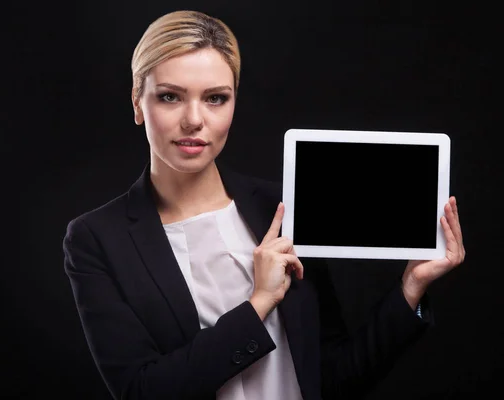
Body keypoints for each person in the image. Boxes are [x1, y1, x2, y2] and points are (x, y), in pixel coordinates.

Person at [62, 9, 465, 400]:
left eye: (216, 98)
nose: (193, 120)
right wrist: (258, 304)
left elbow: (332, 381)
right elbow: (141, 391)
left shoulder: (285, 208)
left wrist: (411, 288)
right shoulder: (97, 239)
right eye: (170, 96)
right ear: (137, 102)